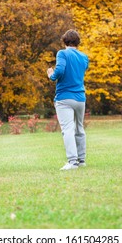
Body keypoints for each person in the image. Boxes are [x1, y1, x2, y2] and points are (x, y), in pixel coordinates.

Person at [47, 29, 89, 170]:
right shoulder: (84, 57)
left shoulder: (62, 53)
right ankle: (81, 160)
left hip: (64, 97)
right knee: (79, 128)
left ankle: (72, 161)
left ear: (64, 41)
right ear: (77, 42)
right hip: (80, 98)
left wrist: (51, 75)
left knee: (68, 129)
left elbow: (60, 70)